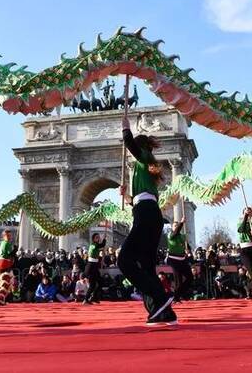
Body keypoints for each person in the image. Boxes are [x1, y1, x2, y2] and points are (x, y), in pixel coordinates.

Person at [118, 116, 176, 326]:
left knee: (124, 260)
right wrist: (127, 197)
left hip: (145, 214)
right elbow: (142, 198)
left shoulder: (145, 157)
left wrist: (126, 129)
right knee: (146, 265)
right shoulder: (145, 168)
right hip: (150, 213)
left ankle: (161, 297)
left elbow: (131, 146)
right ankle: (163, 313)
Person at [166, 219, 193, 302]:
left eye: (177, 226)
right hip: (173, 260)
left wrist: (188, 250)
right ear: (172, 227)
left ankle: (177, 294)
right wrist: (181, 223)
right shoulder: (170, 235)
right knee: (178, 280)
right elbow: (175, 232)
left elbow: (187, 246)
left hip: (182, 259)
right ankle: (176, 297)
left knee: (190, 277)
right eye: (175, 226)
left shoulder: (182, 236)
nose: (176, 227)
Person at [83, 233, 106, 304]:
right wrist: (104, 239)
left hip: (95, 266)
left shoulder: (96, 245)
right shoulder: (93, 245)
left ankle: (94, 297)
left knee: (100, 282)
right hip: (91, 267)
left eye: (99, 237)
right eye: (97, 237)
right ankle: (86, 299)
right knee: (92, 285)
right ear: (93, 239)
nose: (98, 238)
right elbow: (101, 245)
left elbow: (101, 246)